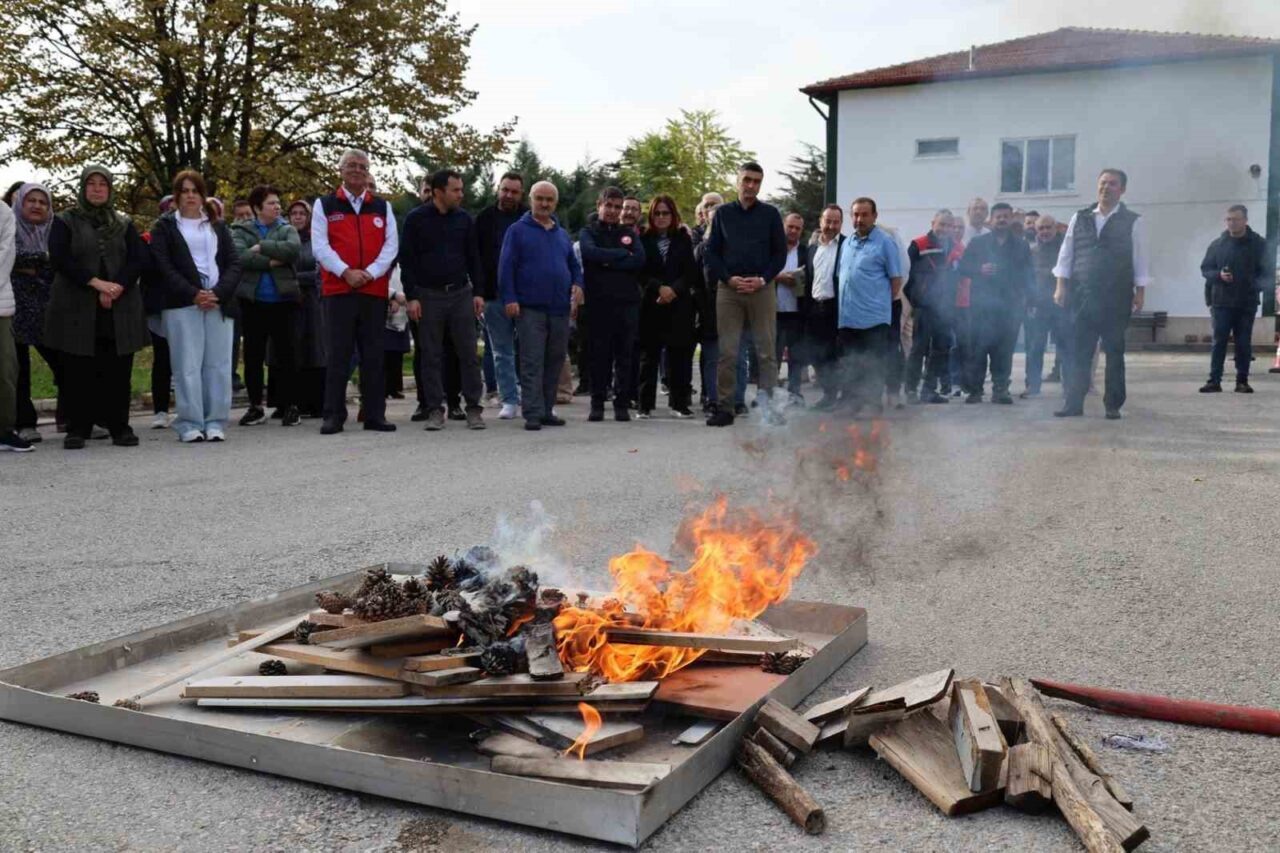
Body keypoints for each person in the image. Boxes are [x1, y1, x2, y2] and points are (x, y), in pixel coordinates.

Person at [44, 165, 148, 449]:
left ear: (110, 189)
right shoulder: (65, 221)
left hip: (119, 307)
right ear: (83, 187)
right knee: (77, 369)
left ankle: (119, 427)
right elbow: (61, 258)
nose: (97, 189)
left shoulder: (123, 222)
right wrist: (96, 284)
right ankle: (78, 428)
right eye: (92, 183)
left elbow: (137, 259)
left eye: (103, 184)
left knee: (117, 370)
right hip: (77, 305)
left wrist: (117, 287)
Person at [149, 170, 242, 442]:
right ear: (176, 196)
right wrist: (193, 294)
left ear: (203, 195)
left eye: (195, 191)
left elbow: (234, 263)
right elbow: (163, 266)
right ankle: (190, 423)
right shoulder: (164, 227)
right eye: (184, 191)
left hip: (217, 302)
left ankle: (215, 422)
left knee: (219, 365)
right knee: (186, 365)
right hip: (181, 304)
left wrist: (217, 293)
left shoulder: (218, 226)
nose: (190, 196)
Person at [1053, 168, 1151, 419]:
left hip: (1116, 297)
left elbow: (1140, 258)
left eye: (1112, 184)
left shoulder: (1133, 220)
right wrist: (1060, 286)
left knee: (1114, 353)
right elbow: (1066, 253)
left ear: (1122, 190)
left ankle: (1113, 405)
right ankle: (1073, 403)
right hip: (1082, 295)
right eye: (1103, 183)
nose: (1106, 187)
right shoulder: (1080, 217)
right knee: (1079, 352)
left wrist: (1140, 292)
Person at [313, 149, 399, 433]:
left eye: (363, 166)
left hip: (373, 291)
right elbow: (320, 247)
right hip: (338, 290)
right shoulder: (324, 205)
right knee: (338, 354)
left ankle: (374, 415)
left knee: (373, 355)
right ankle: (333, 415)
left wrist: (371, 273)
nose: (357, 170)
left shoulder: (382, 207)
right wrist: (345, 272)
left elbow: (391, 246)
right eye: (351, 165)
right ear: (340, 170)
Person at [400, 168, 486, 431]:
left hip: (460, 294)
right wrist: (412, 297)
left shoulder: (464, 219)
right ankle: (435, 409)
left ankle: (474, 408)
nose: (461, 195)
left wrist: (478, 292)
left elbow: (474, 257)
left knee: (468, 354)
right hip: (428, 295)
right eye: (455, 190)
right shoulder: (416, 219)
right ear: (438, 192)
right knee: (430, 355)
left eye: (461, 189)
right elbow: (407, 260)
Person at [704, 162, 787, 426]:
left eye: (756, 181)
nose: (751, 185)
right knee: (728, 352)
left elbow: (780, 254)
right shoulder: (722, 214)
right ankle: (725, 408)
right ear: (737, 180)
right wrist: (728, 278)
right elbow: (711, 252)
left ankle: (769, 408)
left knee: (766, 352)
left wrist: (762, 279)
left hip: (762, 289)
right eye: (747, 180)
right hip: (729, 290)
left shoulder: (771, 214)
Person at [498, 180, 582, 431]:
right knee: (532, 361)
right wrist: (510, 298)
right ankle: (532, 412)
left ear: (555, 203)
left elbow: (574, 265)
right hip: (529, 308)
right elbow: (506, 267)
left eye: (549, 200)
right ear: (531, 200)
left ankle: (547, 410)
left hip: (559, 308)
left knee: (554, 361)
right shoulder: (517, 230)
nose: (544, 204)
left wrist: (579, 284)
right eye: (540, 199)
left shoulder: (561, 234)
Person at [233, 184, 302, 427]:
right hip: (253, 302)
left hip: (284, 301)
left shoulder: (287, 228)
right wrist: (272, 262)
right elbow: (240, 257)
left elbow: (293, 250)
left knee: (287, 355)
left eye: (278, 202)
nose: (277, 207)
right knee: (253, 357)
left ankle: (291, 406)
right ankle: (255, 406)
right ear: (257, 208)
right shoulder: (240, 230)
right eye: (271, 203)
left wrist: (262, 247)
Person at [579, 187, 646, 423]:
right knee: (599, 356)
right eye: (608, 205)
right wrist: (621, 255)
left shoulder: (629, 233)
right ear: (599, 205)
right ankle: (597, 403)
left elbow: (639, 260)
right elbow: (590, 253)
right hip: (598, 304)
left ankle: (621, 404)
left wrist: (606, 260)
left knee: (624, 356)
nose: (613, 211)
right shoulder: (588, 232)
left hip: (626, 304)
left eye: (617, 207)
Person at [957, 202, 1032, 404]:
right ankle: (975, 391)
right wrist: (979, 269)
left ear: (1011, 219)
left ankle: (1000, 390)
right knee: (977, 350)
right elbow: (963, 268)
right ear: (991, 219)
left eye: (1006, 216)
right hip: (981, 308)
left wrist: (1029, 301)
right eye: (998, 217)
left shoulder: (1021, 245)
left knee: (1004, 351)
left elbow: (1029, 275)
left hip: (1010, 308)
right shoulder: (978, 243)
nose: (1002, 220)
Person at [836, 197, 903, 416]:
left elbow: (896, 280)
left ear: (875, 216)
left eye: (865, 215)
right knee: (850, 362)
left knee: (873, 364)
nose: (860, 219)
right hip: (848, 317)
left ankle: (872, 405)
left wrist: (879, 304)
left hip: (874, 318)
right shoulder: (847, 243)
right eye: (856, 214)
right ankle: (851, 403)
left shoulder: (886, 242)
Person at [637, 195, 699, 417]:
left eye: (666, 213)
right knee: (649, 357)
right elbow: (640, 271)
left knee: (679, 356)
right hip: (651, 303)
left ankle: (679, 403)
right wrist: (659, 288)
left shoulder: (683, 239)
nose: (661, 217)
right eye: (657, 213)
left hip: (679, 304)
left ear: (673, 215)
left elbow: (690, 272)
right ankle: (644, 405)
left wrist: (673, 290)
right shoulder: (643, 239)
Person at [1199, 204, 1268, 394]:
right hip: (1221, 301)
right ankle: (1214, 381)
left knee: (1243, 343)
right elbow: (1205, 269)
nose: (1231, 223)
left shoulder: (1259, 245)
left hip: (1246, 302)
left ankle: (1242, 381)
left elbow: (1267, 272)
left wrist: (1252, 285)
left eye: (1236, 219)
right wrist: (1219, 275)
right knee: (1219, 342)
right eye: (1228, 219)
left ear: (1245, 220)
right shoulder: (1217, 245)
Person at [476, 172, 528, 419]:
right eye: (505, 190)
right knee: (501, 351)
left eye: (514, 192)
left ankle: (531, 396)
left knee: (530, 350)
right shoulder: (484, 219)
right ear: (498, 189)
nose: (508, 195)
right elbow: (475, 258)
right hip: (493, 294)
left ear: (521, 194)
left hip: (525, 295)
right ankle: (509, 398)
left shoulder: (528, 218)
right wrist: (478, 293)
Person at [10, 183, 59, 443]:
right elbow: (9, 257)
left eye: (43, 202)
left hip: (50, 307)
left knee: (64, 363)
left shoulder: (56, 230)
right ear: (20, 203)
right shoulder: (7, 227)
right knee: (20, 370)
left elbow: (61, 262)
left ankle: (70, 416)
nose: (37, 206)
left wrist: (32, 264)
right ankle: (25, 423)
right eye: (31, 200)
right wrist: (43, 259)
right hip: (15, 308)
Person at [903, 209, 953, 405]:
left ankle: (929, 390)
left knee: (941, 350)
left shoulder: (954, 247)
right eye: (941, 224)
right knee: (918, 348)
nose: (944, 229)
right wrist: (914, 301)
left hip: (945, 308)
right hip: (924, 307)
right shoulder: (919, 244)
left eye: (948, 225)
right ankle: (911, 390)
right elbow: (905, 275)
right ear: (933, 224)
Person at [287, 199, 326, 417]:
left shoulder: (316, 240)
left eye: (302, 213)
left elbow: (320, 271)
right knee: (294, 349)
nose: (298, 217)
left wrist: (295, 279)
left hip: (313, 301)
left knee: (315, 350)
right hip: (290, 300)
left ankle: (316, 402)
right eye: (294, 213)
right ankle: (293, 403)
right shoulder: (284, 239)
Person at [1022, 214, 1066, 398]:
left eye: (1048, 227)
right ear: (1036, 230)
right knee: (1034, 348)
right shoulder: (1031, 252)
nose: (1045, 231)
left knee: (1065, 348)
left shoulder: (1065, 251)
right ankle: (1032, 386)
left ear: (1055, 228)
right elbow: (1026, 280)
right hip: (1038, 308)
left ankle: (1069, 387)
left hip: (1061, 306)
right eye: (1041, 228)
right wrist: (1028, 303)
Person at [0, 197, 32, 451]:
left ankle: (4, 430)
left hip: (0, 304)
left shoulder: (4, 213)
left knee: (6, 369)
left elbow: (6, 254)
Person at [806, 204, 844, 411]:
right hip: (815, 308)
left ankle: (841, 397)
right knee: (817, 354)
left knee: (837, 354)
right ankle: (828, 394)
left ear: (841, 224)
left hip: (837, 308)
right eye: (828, 221)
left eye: (836, 222)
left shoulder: (847, 246)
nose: (831, 226)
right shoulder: (812, 248)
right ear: (821, 221)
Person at [772, 212, 810, 407]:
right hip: (773, 312)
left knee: (796, 357)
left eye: (797, 228)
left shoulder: (806, 252)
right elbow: (761, 271)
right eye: (790, 226)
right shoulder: (771, 249)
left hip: (797, 313)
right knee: (772, 356)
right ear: (783, 226)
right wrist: (778, 277)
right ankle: (768, 394)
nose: (793, 231)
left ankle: (795, 394)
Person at [692, 192, 723, 412]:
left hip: (728, 302)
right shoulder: (696, 239)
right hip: (704, 305)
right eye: (708, 206)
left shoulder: (732, 239)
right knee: (710, 352)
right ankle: (710, 396)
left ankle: (725, 396)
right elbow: (695, 266)